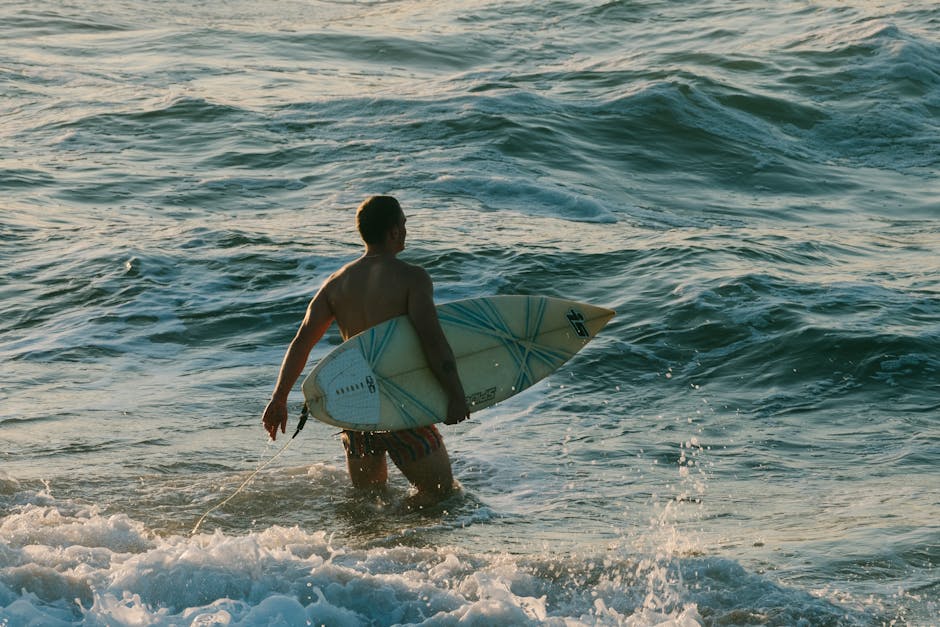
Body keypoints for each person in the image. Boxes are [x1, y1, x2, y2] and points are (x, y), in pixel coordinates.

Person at [261, 195, 470, 508]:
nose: (406, 231)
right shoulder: (412, 278)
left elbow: (302, 341)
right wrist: (455, 394)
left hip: (356, 406)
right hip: (399, 402)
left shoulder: (336, 283)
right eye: (403, 224)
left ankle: (366, 553)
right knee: (442, 495)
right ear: (393, 232)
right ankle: (403, 540)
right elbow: (433, 341)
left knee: (368, 503)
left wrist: (279, 398)